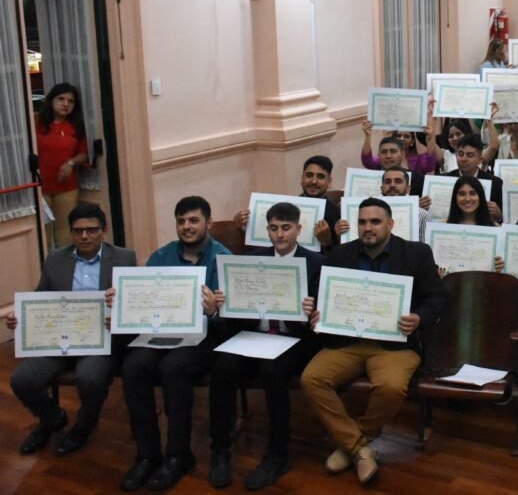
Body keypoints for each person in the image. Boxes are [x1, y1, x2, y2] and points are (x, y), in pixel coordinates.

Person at [300, 198, 444, 485]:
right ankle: (360, 449)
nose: (368, 227)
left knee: (390, 387)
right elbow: (321, 296)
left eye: (375, 222)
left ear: (390, 224)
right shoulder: (340, 254)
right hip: (348, 340)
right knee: (312, 379)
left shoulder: (416, 253)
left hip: (396, 343)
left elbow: (436, 297)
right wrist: (315, 312)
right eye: (362, 222)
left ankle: (352, 444)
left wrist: (418, 318)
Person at [207, 202, 323, 490]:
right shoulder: (251, 260)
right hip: (254, 335)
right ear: (267, 230)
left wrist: (310, 312)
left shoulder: (316, 263)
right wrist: (224, 304)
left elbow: (319, 321)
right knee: (222, 367)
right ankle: (220, 449)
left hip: (294, 338)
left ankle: (278, 452)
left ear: (298, 229)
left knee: (273, 370)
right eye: (273, 228)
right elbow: (236, 313)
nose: (279, 234)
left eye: (286, 228)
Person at [120, 196, 230, 491]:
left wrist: (214, 310)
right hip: (161, 331)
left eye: (193, 220)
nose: (186, 227)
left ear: (208, 222)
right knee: (133, 367)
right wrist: (123, 303)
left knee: (173, 368)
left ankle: (178, 455)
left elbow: (232, 318)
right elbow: (144, 301)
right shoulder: (161, 256)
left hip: (205, 335)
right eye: (181, 221)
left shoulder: (223, 258)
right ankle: (147, 454)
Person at [6, 203, 135, 457]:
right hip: (58, 340)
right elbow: (40, 299)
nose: (84, 236)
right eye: (78, 231)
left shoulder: (124, 258)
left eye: (91, 230)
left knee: (90, 379)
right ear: (71, 233)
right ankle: (52, 418)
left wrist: (120, 314)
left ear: (104, 230)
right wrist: (19, 317)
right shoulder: (55, 259)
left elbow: (135, 303)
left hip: (99, 340)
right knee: (22, 379)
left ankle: (84, 427)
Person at [233, 155, 344, 251]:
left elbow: (342, 258)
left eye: (320, 177)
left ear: (329, 182)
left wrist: (327, 242)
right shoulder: (285, 207)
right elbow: (261, 246)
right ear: (302, 179)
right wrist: (243, 227)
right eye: (309, 175)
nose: (314, 181)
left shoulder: (337, 214)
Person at [36, 83, 90, 248]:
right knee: (42, 233)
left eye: (70, 101)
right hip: (40, 187)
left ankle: (65, 263)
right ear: (51, 100)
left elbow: (84, 153)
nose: (66, 104)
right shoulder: (36, 122)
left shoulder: (76, 126)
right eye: (61, 99)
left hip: (66, 187)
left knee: (65, 232)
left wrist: (70, 163)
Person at [444, 134, 504, 221]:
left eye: (470, 155)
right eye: (460, 154)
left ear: (480, 160)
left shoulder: (495, 184)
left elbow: (504, 220)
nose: (464, 159)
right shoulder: (444, 180)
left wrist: (499, 216)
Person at [380, 167, 431, 241]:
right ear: (382, 189)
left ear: (408, 189)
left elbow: (424, 245)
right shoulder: (369, 213)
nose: (392, 185)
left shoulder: (422, 215)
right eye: (388, 182)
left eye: (398, 181)